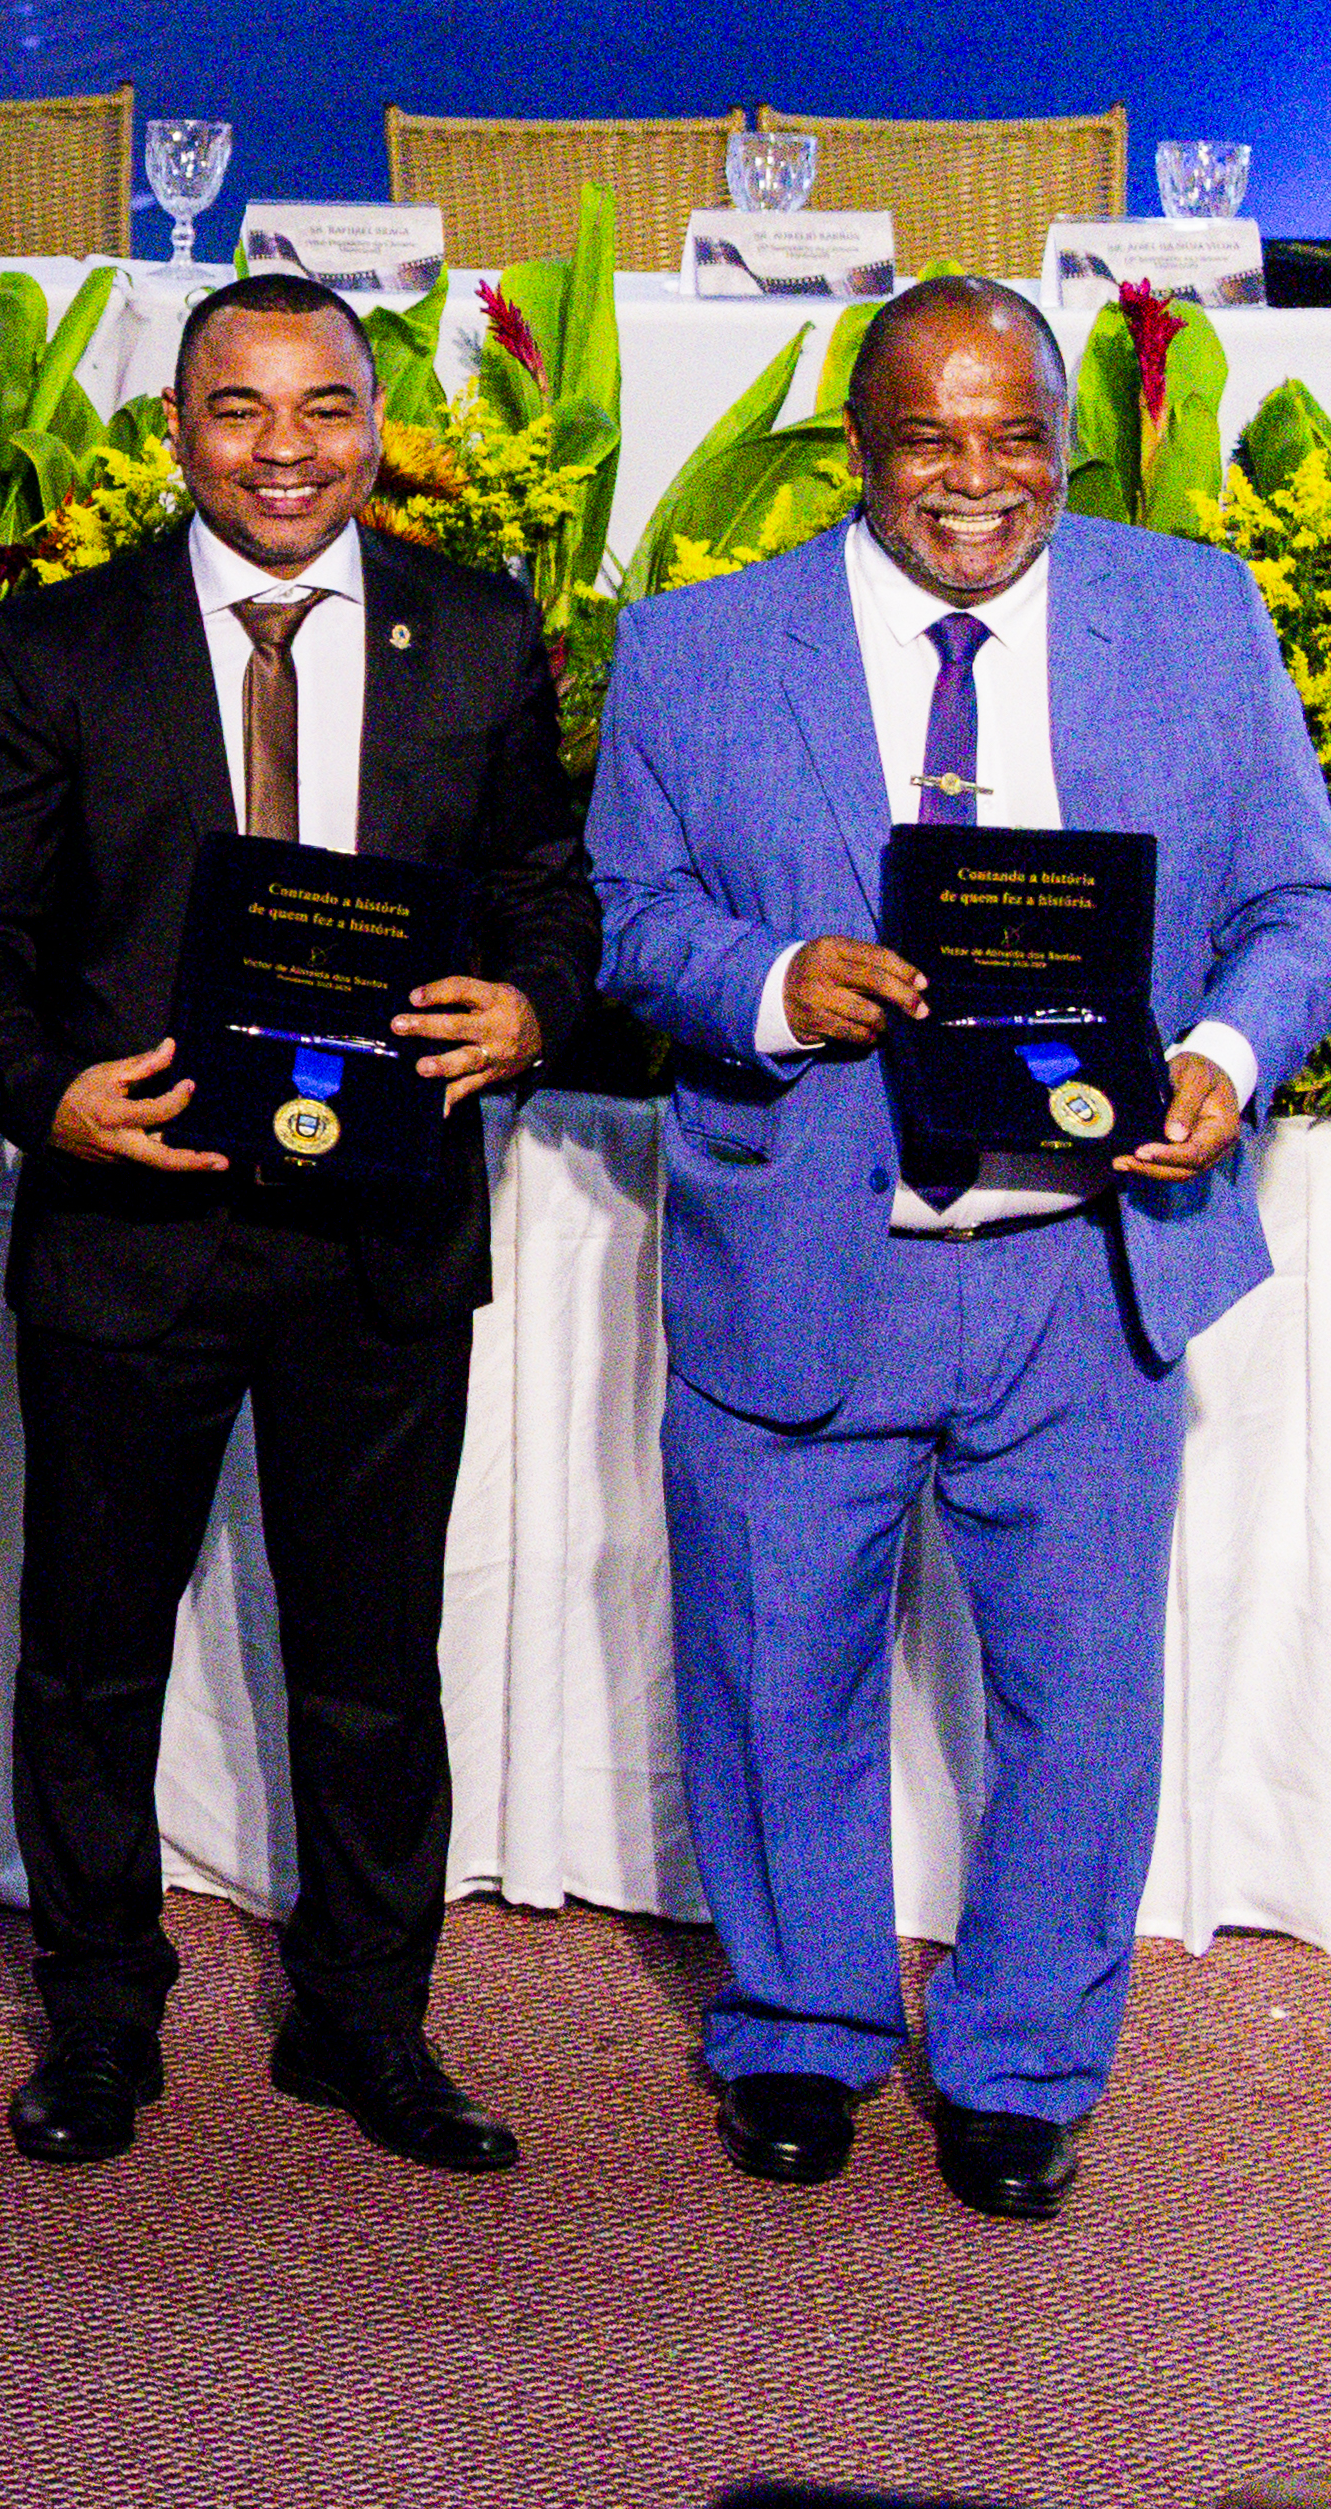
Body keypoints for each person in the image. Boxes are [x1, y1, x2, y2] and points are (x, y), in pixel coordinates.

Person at [591, 277, 1331, 2223]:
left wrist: (1227, 1054)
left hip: (1090, 1269)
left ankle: (1018, 2065)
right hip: (811, 1246)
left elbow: (1291, 901)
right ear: (863, 445)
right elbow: (636, 919)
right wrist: (770, 979)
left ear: (1067, 442)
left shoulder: (1191, 613)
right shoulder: (694, 648)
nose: (978, 481)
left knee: (1082, 1699)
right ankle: (801, 2029)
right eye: (935, 437)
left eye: (1020, 438)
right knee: (774, 1676)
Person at [0, 271, 602, 2178]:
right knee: (92, 1653)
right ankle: (102, 2025)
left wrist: (534, 1007)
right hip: (136, 1220)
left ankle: (373, 2025)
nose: (283, 450)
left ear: (375, 427)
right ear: (176, 431)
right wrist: (41, 1091)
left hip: (381, 1230)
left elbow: (550, 886)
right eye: (238, 409)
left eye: (321, 410)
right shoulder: (63, 648)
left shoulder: (475, 635)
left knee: (375, 1660)